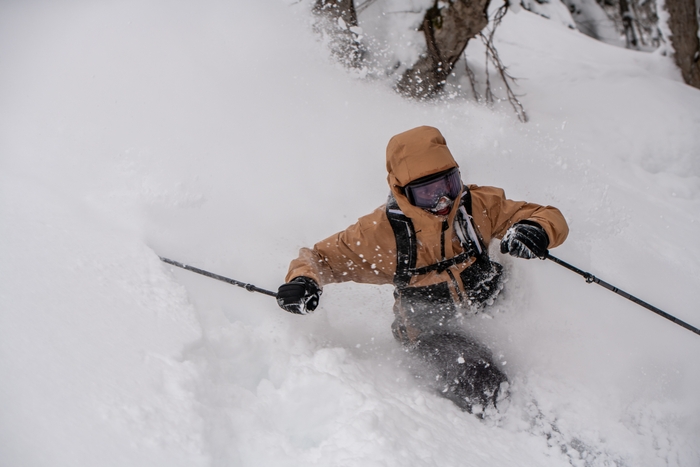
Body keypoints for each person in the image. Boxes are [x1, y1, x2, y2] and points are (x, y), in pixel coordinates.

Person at [276, 126, 569, 415]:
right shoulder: (380, 234)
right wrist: (303, 280)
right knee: (481, 377)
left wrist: (537, 230)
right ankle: (510, 425)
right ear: (403, 193)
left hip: (491, 306)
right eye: (428, 193)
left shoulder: (477, 207)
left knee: (547, 354)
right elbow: (319, 258)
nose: (443, 202)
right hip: (432, 330)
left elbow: (544, 214)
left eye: (448, 186)